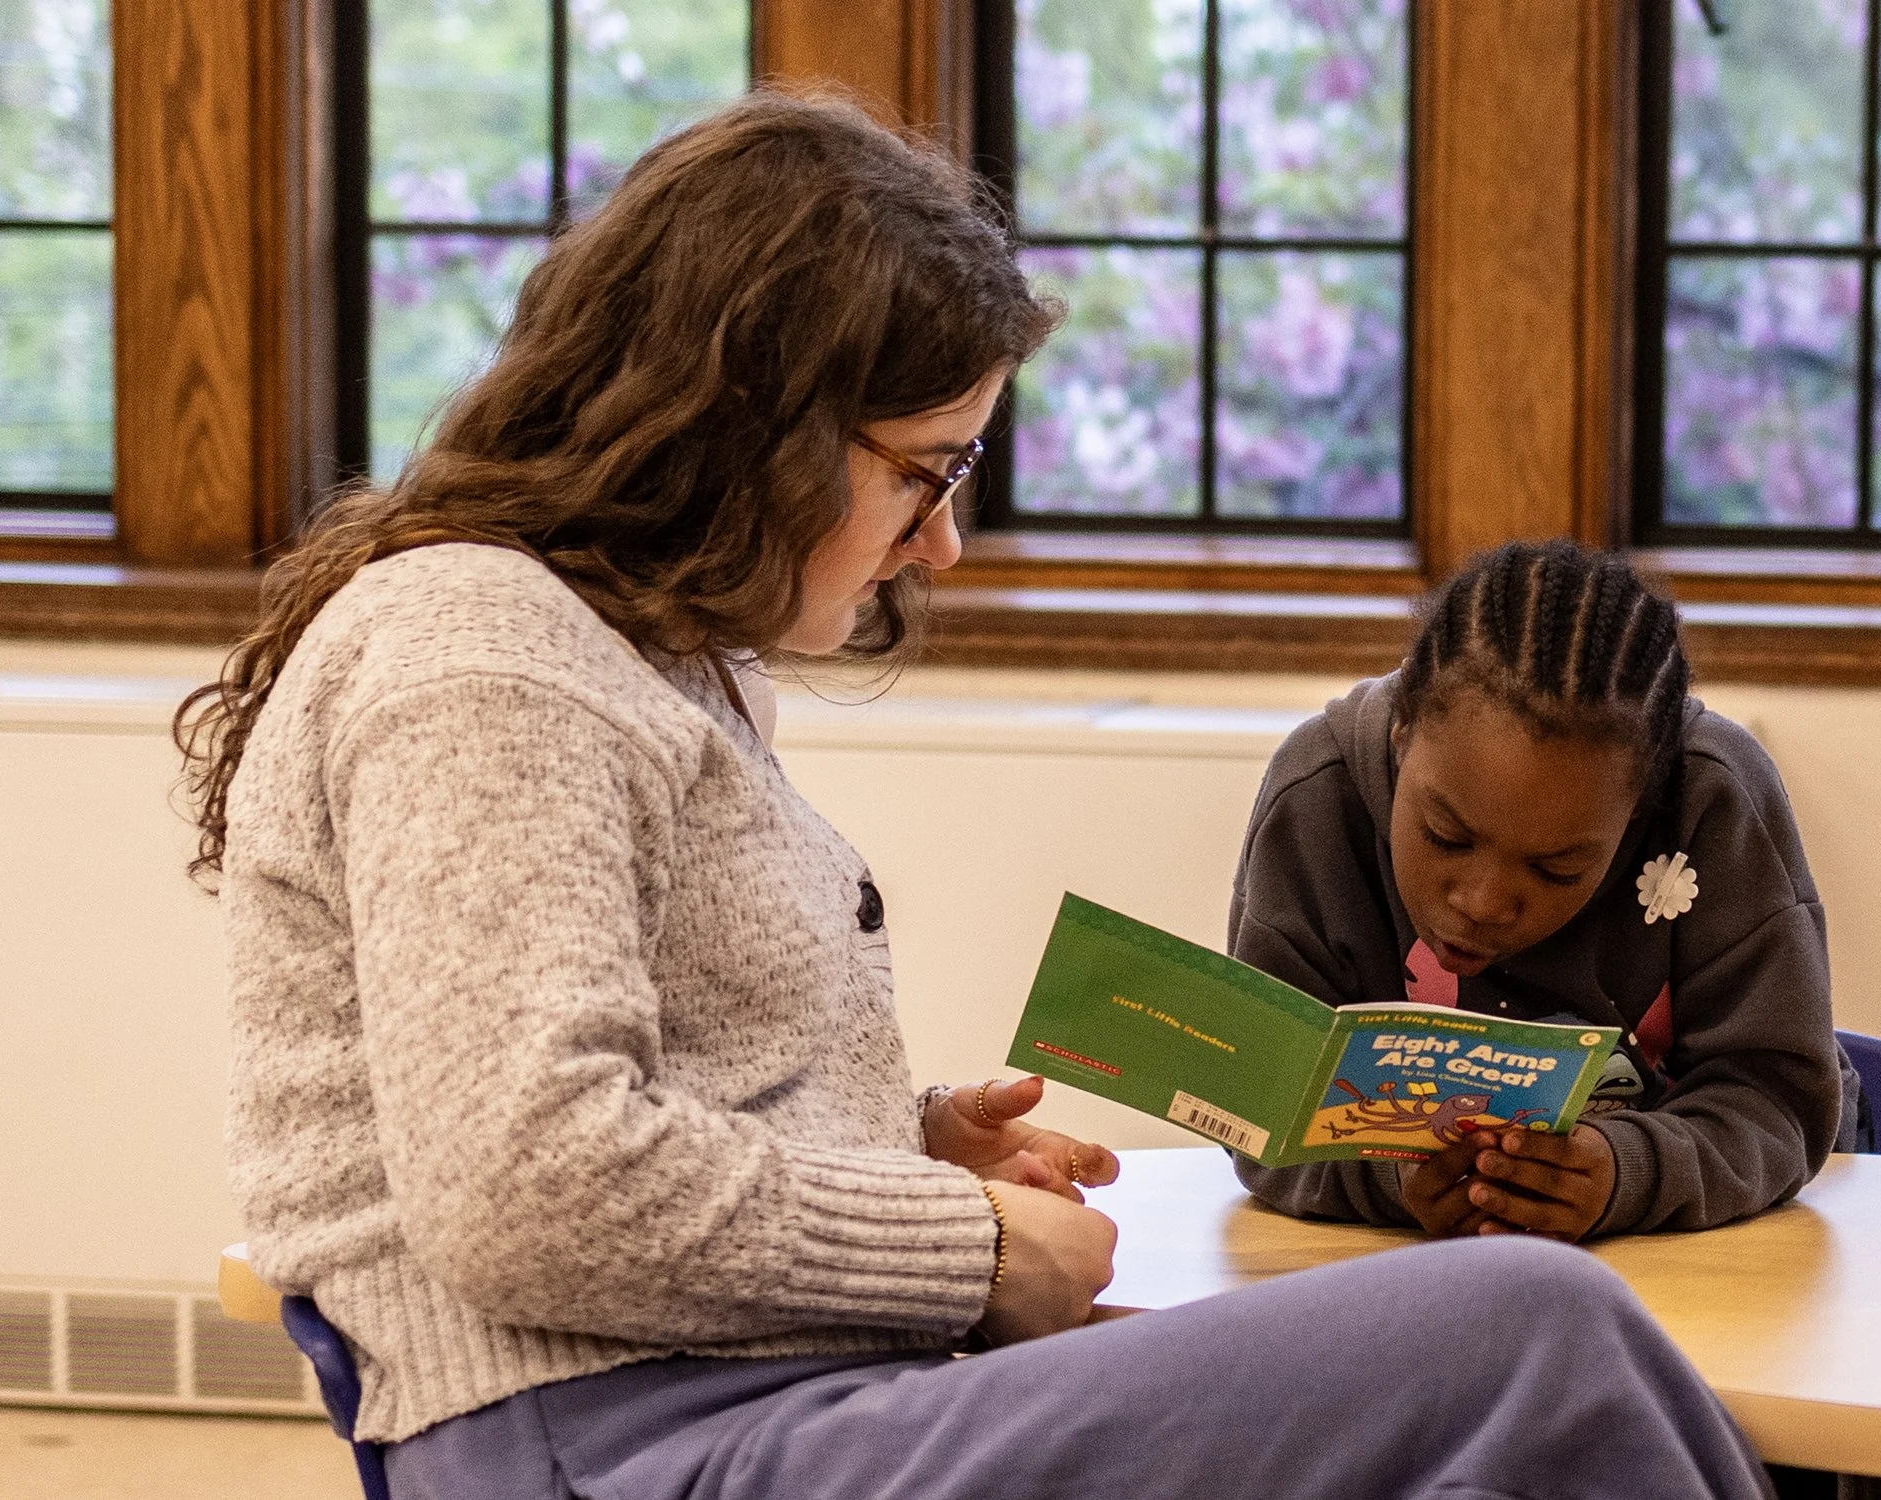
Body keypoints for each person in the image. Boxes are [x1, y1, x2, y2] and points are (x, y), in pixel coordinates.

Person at [179, 93, 1775, 1500]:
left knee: (1503, 1416)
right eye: (927, 469)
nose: (940, 543)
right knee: (1531, 1337)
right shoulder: (487, 662)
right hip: (626, 1452)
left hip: (766, 1406)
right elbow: (530, 1193)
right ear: (752, 423)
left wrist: (900, 1145)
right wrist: (966, 1247)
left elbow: (635, 1102)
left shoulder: (648, 661)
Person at [1231, 539, 1860, 1242]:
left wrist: (1626, 1173)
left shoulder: (1714, 801)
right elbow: (1258, 1104)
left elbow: (1777, 1100)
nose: (1484, 902)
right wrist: (1393, 1177)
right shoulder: (1318, 800)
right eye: (1447, 836)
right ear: (1402, 733)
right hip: (1401, 1276)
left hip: (1707, 1267)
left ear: (1640, 809)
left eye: (1556, 869)